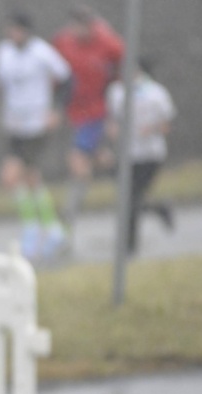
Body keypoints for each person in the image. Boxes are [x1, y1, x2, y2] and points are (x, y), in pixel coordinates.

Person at [0, 11, 73, 260]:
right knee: (31, 179)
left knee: (10, 177)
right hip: (14, 125)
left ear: (26, 31)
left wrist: (57, 111)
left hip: (36, 126)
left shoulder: (42, 52)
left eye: (16, 30)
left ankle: (32, 229)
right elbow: (1, 80)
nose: (11, 34)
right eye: (9, 29)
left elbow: (67, 79)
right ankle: (53, 230)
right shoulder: (2, 51)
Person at [53, 4, 124, 236]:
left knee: (77, 161)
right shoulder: (63, 42)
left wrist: (115, 114)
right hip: (75, 112)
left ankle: (68, 213)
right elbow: (56, 75)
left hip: (97, 112)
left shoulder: (109, 44)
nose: (79, 31)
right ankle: (133, 190)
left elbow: (123, 72)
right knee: (101, 160)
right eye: (75, 25)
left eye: (84, 25)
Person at [106, 58, 176, 255]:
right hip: (126, 154)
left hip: (150, 155)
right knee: (129, 198)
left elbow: (167, 124)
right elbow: (112, 120)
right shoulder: (116, 92)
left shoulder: (156, 93)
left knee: (132, 199)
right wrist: (112, 133)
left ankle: (130, 247)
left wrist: (151, 129)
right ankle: (160, 208)